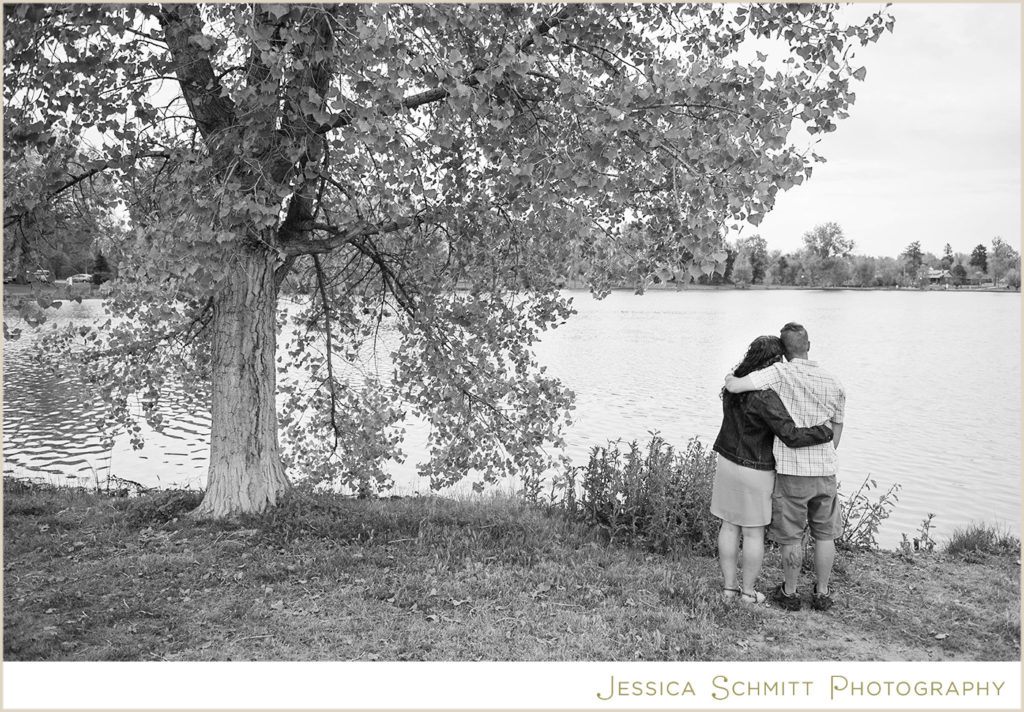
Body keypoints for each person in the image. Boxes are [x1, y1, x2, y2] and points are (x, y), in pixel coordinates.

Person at [724, 322, 845, 612]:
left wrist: (731, 375)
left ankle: (790, 593)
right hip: (825, 470)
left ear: (783, 350)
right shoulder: (835, 382)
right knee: (824, 534)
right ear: (809, 345)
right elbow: (836, 432)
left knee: (792, 535)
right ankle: (822, 592)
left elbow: (736, 385)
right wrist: (824, 446)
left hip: (792, 471)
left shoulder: (779, 373)